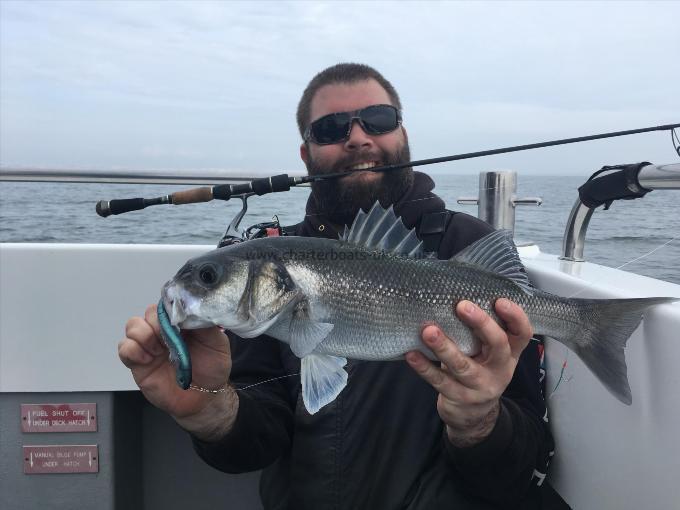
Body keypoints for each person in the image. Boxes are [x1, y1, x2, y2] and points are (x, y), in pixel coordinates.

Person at [119, 63, 558, 509]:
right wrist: (207, 408)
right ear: (306, 154)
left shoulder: (468, 244)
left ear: (402, 134)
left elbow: (525, 466)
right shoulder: (268, 259)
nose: (358, 137)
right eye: (330, 129)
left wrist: (479, 421)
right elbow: (257, 443)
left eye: (378, 120)